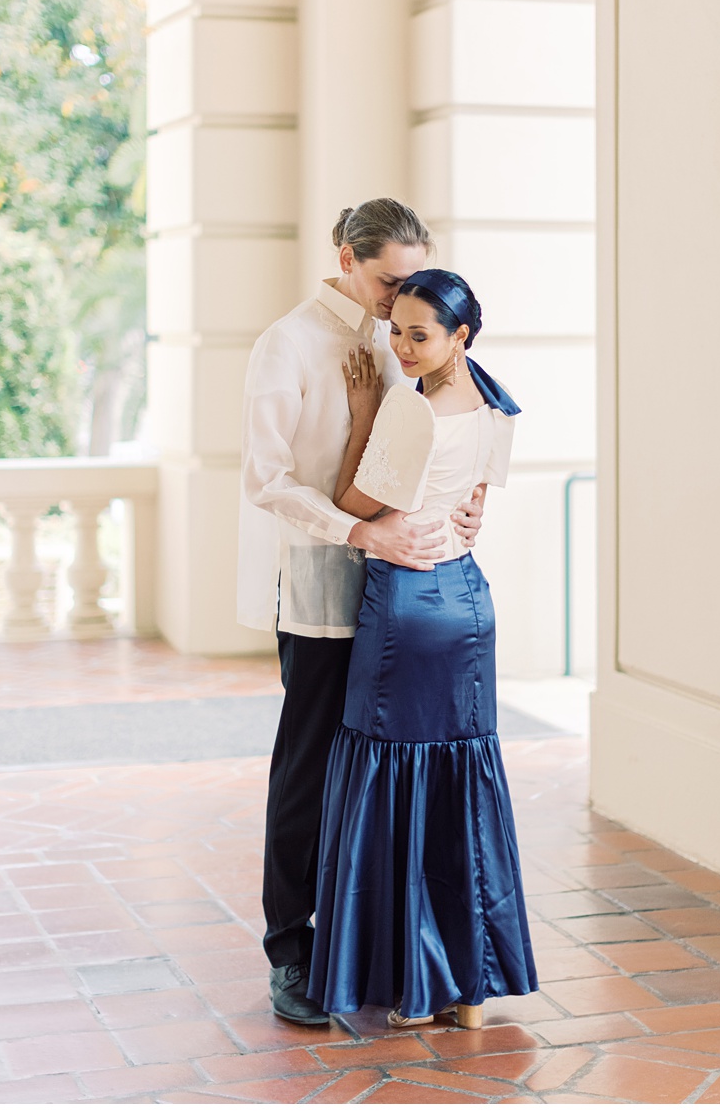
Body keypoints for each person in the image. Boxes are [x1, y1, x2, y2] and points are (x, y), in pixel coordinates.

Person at [236, 198, 484, 1025]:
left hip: (406, 602)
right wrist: (362, 533)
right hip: (322, 594)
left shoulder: (407, 339)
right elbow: (266, 480)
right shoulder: (289, 343)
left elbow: (440, 449)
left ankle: (372, 942)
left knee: (381, 778)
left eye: (413, 283)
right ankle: (290, 950)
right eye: (388, 279)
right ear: (343, 255)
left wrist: (465, 510)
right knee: (307, 769)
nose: (399, 298)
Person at [307, 268, 537, 1026]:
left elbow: (353, 506)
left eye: (419, 334)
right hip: (468, 601)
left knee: (396, 782)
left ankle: (412, 985)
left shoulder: (410, 412)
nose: (402, 347)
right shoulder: (496, 403)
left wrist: (369, 410)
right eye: (397, 330)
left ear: (458, 335)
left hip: (406, 606)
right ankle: (469, 992)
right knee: (462, 786)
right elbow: (473, 509)